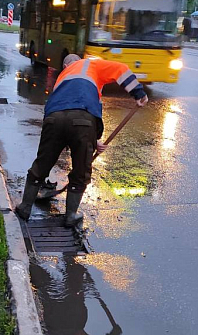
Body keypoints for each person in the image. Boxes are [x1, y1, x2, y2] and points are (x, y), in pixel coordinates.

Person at [15, 54, 148, 227]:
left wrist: (95, 142)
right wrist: (138, 93)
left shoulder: (62, 78)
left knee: (42, 163)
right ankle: (70, 216)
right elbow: (121, 70)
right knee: (80, 171)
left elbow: (66, 122)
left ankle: (25, 207)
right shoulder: (90, 65)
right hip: (83, 121)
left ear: (65, 66)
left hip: (53, 119)